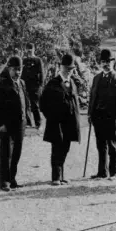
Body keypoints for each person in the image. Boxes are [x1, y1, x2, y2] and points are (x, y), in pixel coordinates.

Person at [0, 56, 34, 192]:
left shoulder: (22, 83)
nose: (18, 72)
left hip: (20, 124)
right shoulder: (2, 85)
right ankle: (4, 182)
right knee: (6, 154)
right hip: (7, 125)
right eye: (15, 69)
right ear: (9, 69)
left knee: (16, 153)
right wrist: (0, 124)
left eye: (19, 69)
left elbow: (26, 100)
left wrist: (28, 117)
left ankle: (12, 179)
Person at [40, 53, 82, 186]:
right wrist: (52, 117)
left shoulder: (73, 83)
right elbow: (43, 104)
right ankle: (56, 177)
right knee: (57, 149)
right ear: (61, 67)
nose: (68, 71)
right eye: (66, 68)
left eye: (71, 69)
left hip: (69, 123)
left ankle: (62, 175)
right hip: (57, 123)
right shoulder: (53, 83)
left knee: (65, 148)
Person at [87, 49, 116, 180]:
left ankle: (114, 173)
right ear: (100, 63)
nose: (106, 64)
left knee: (112, 145)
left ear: (112, 62)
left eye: (108, 61)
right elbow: (92, 97)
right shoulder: (96, 78)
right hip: (98, 116)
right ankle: (102, 172)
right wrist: (90, 114)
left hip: (111, 117)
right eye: (104, 62)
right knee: (100, 145)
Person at [21, 43, 46, 129]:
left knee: (35, 104)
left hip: (35, 85)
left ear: (34, 49)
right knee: (26, 104)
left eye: (31, 48)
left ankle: (38, 123)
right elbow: (22, 73)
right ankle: (28, 122)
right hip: (25, 85)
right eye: (27, 49)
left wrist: (41, 85)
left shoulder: (38, 60)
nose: (29, 50)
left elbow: (42, 73)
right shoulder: (24, 60)